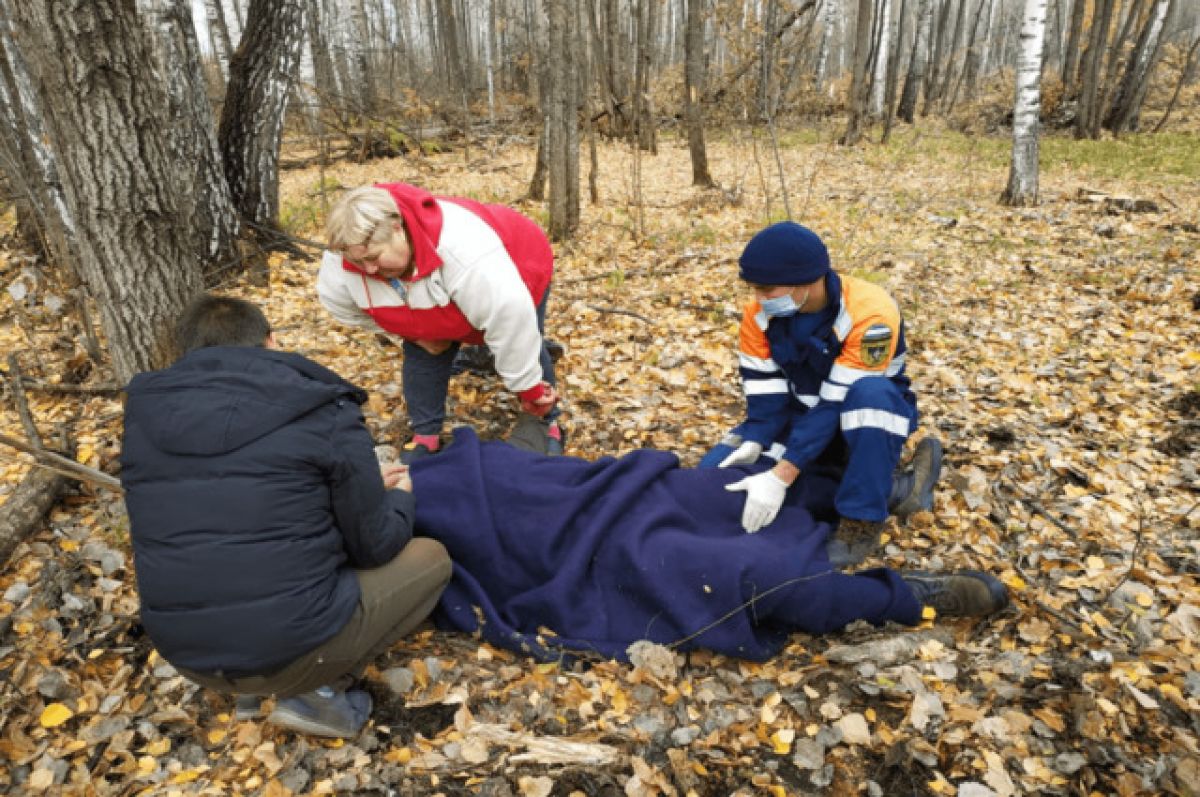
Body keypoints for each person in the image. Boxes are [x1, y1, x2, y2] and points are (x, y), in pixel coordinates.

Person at [120, 295, 452, 739]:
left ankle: (250, 690)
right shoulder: (320, 407)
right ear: (272, 341)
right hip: (291, 648)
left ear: (187, 352)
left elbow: (235, 495)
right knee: (432, 559)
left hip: (187, 655)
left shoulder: (145, 418)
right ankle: (320, 691)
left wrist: (361, 481)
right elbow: (374, 545)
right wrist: (400, 499)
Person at [410, 419, 1008, 663]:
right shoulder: (383, 533)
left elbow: (529, 468)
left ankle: (889, 491)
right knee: (733, 577)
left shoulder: (425, 463)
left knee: (722, 488)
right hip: (593, 551)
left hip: (603, 492)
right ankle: (904, 596)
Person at [700, 221, 942, 568]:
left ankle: (860, 519)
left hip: (861, 422)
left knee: (872, 394)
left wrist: (782, 474)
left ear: (806, 282)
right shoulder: (758, 316)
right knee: (715, 480)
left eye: (766, 290)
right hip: (803, 419)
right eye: (754, 289)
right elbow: (766, 398)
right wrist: (755, 439)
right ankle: (897, 492)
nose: (758, 299)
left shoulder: (871, 313)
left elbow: (835, 403)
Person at [318, 182, 563, 462]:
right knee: (425, 345)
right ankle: (426, 434)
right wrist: (412, 333)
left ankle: (547, 421)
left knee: (523, 342)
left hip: (519, 260)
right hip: (449, 291)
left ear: (398, 227)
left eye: (374, 258)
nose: (369, 270)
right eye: (359, 263)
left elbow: (512, 325)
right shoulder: (346, 258)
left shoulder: (464, 249)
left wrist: (529, 389)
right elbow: (343, 306)